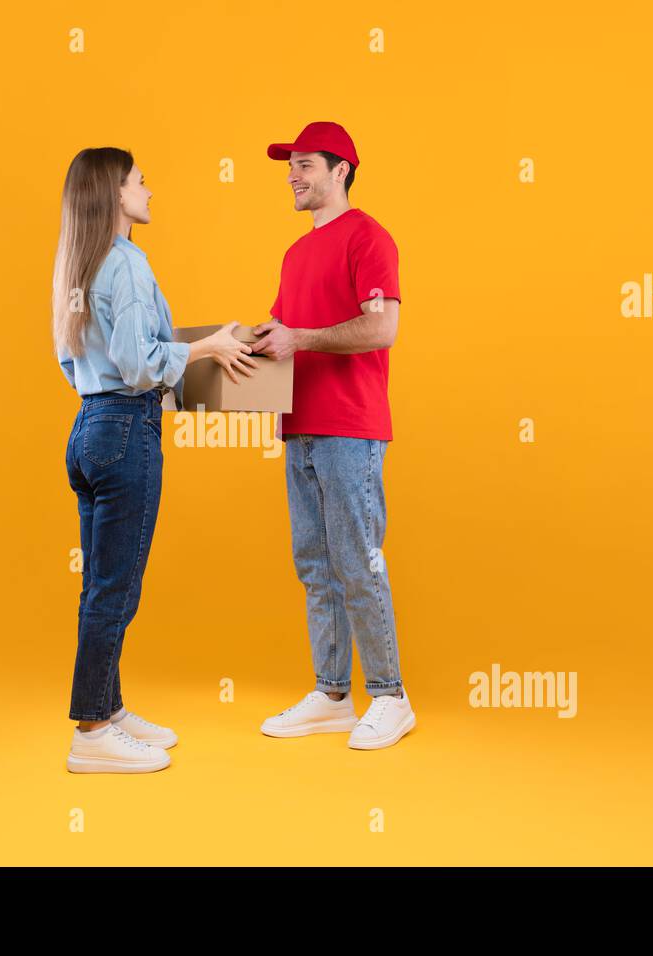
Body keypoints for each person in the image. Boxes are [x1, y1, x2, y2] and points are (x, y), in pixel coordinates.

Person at [53, 147, 257, 773]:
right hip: (124, 430)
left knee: (99, 583)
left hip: (88, 426)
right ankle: (91, 732)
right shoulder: (127, 266)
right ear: (116, 190)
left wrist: (179, 353)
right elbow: (140, 365)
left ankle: (108, 708)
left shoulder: (76, 264)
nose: (149, 188)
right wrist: (210, 348)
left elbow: (80, 360)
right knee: (116, 588)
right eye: (141, 179)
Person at [251, 122, 417, 750]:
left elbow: (381, 330)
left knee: (358, 560)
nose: (292, 176)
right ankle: (330, 694)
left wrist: (300, 338)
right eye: (289, 166)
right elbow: (283, 327)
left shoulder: (368, 237)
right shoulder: (296, 253)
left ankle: (391, 695)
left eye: (304, 165)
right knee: (315, 565)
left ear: (340, 169)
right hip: (299, 427)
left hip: (351, 426)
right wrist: (241, 343)